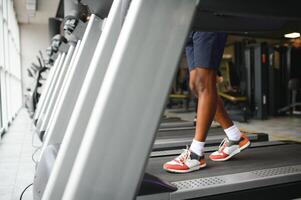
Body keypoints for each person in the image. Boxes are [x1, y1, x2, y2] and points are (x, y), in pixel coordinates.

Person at [163, 32, 250, 173]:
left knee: (204, 82)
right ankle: (236, 137)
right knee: (195, 85)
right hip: (190, 27)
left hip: (208, 21)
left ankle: (196, 154)